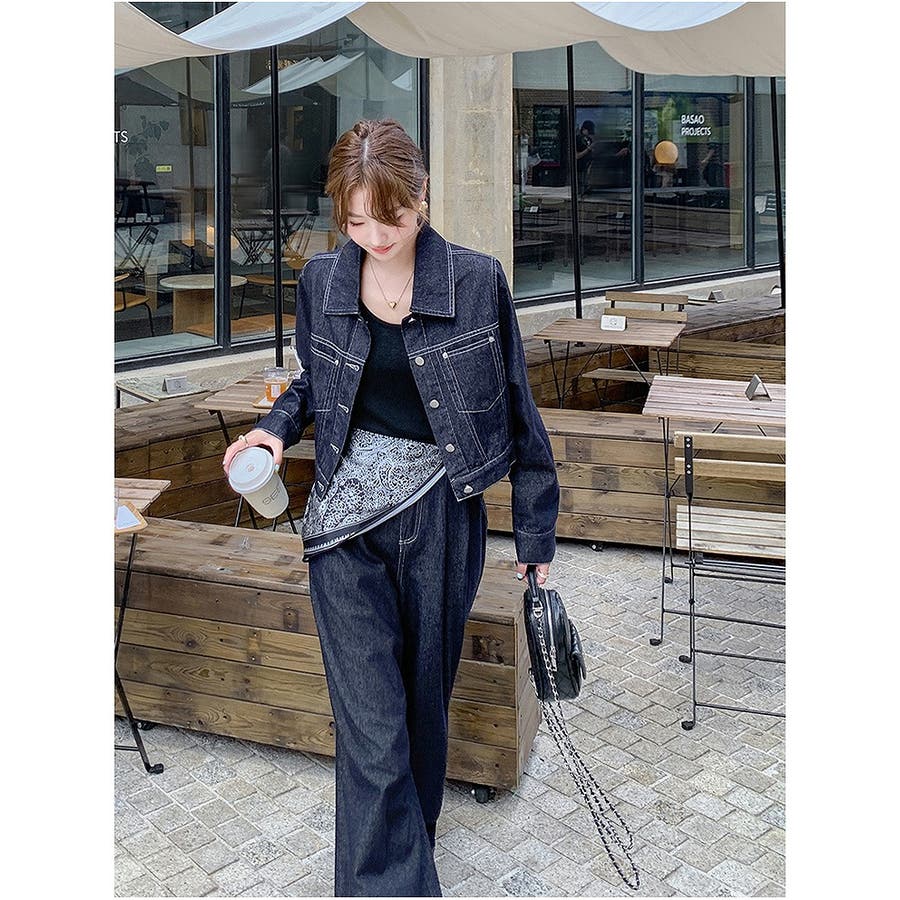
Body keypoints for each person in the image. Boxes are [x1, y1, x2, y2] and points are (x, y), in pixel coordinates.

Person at [221, 119, 560, 897]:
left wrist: (535, 531)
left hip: (442, 517)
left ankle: (408, 854)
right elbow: (314, 382)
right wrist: (274, 430)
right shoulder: (322, 283)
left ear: (422, 195)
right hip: (344, 523)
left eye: (391, 217)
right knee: (373, 728)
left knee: (421, 711)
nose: (374, 237)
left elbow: (517, 406)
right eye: (355, 222)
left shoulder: (477, 282)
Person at [575, 119, 595, 196]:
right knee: (580, 186)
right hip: (580, 168)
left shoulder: (588, 139)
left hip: (588, 167)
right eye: (588, 131)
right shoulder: (577, 139)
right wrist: (588, 149)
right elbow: (576, 156)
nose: (589, 134)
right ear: (584, 129)